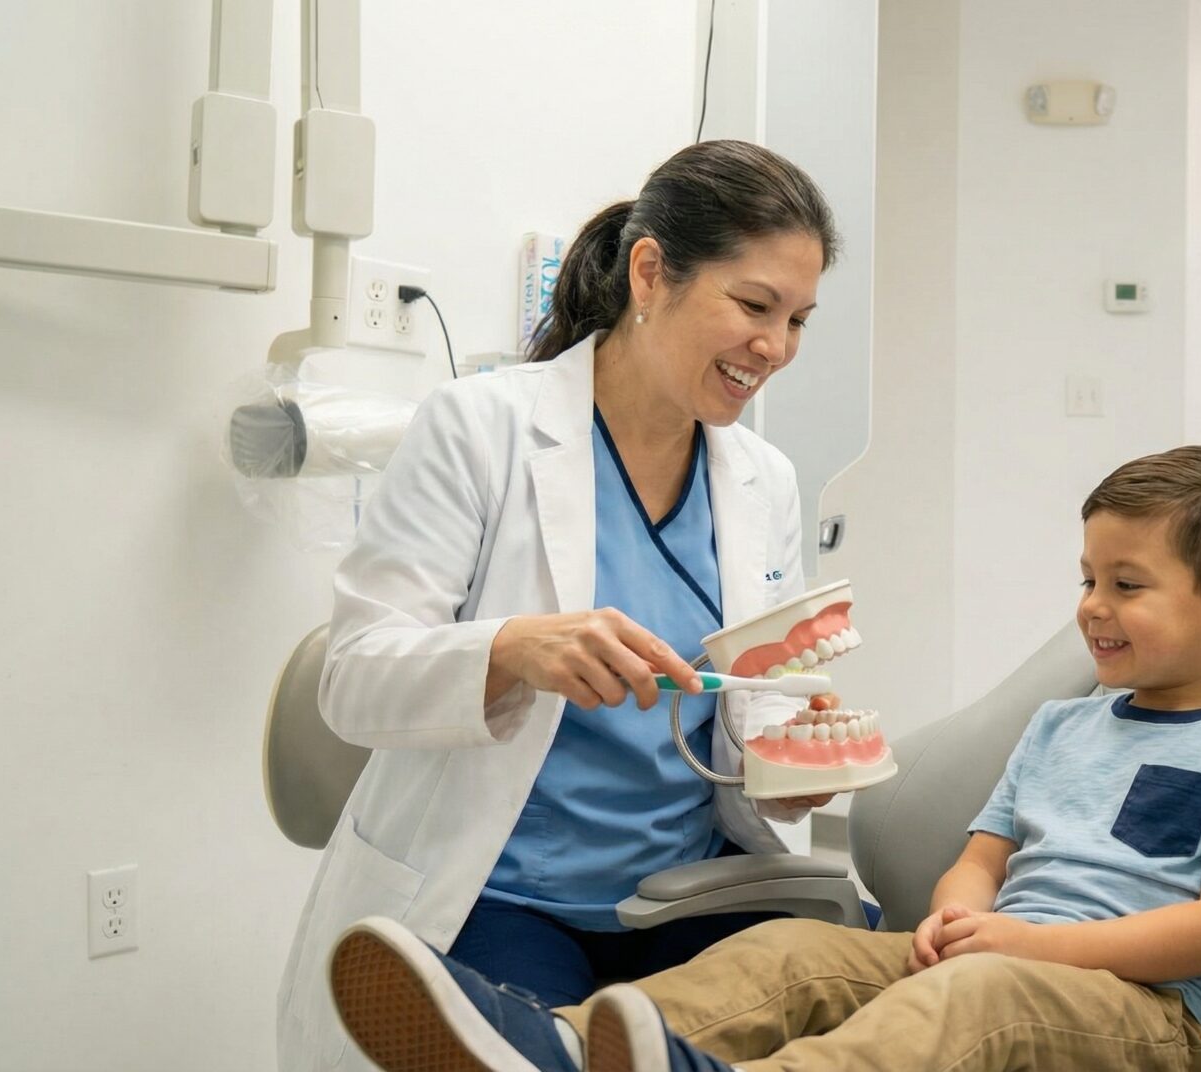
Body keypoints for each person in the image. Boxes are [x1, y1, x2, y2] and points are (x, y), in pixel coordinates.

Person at [322, 445, 1201, 1072]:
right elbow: (987, 852)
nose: (1092, 605)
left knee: (969, 998)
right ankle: (563, 1045)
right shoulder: (1067, 724)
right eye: (1086, 576)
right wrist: (954, 910)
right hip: (1001, 954)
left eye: (1127, 583)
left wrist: (1022, 947)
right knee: (787, 953)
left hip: (1146, 1020)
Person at [277, 140, 846, 1072]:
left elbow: (750, 702)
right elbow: (353, 680)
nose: (775, 348)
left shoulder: (765, 480)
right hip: (504, 895)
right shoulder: (480, 428)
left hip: (689, 893)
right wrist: (510, 648)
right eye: (752, 306)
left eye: (798, 320)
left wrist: (794, 755)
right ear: (651, 271)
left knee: (866, 989)